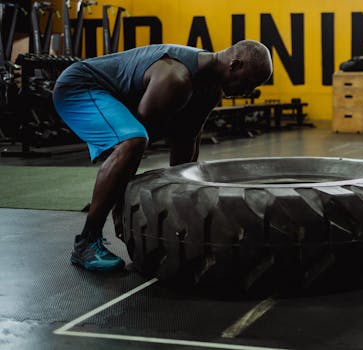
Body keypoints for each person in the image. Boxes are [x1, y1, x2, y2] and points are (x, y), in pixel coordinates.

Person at [52, 40, 273, 272]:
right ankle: (87, 241)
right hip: (79, 87)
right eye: (248, 82)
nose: (248, 91)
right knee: (134, 140)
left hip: (112, 98)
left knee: (139, 140)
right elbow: (129, 146)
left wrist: (186, 212)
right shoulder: (175, 78)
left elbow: (186, 143)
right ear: (235, 65)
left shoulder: (209, 89)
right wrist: (121, 208)